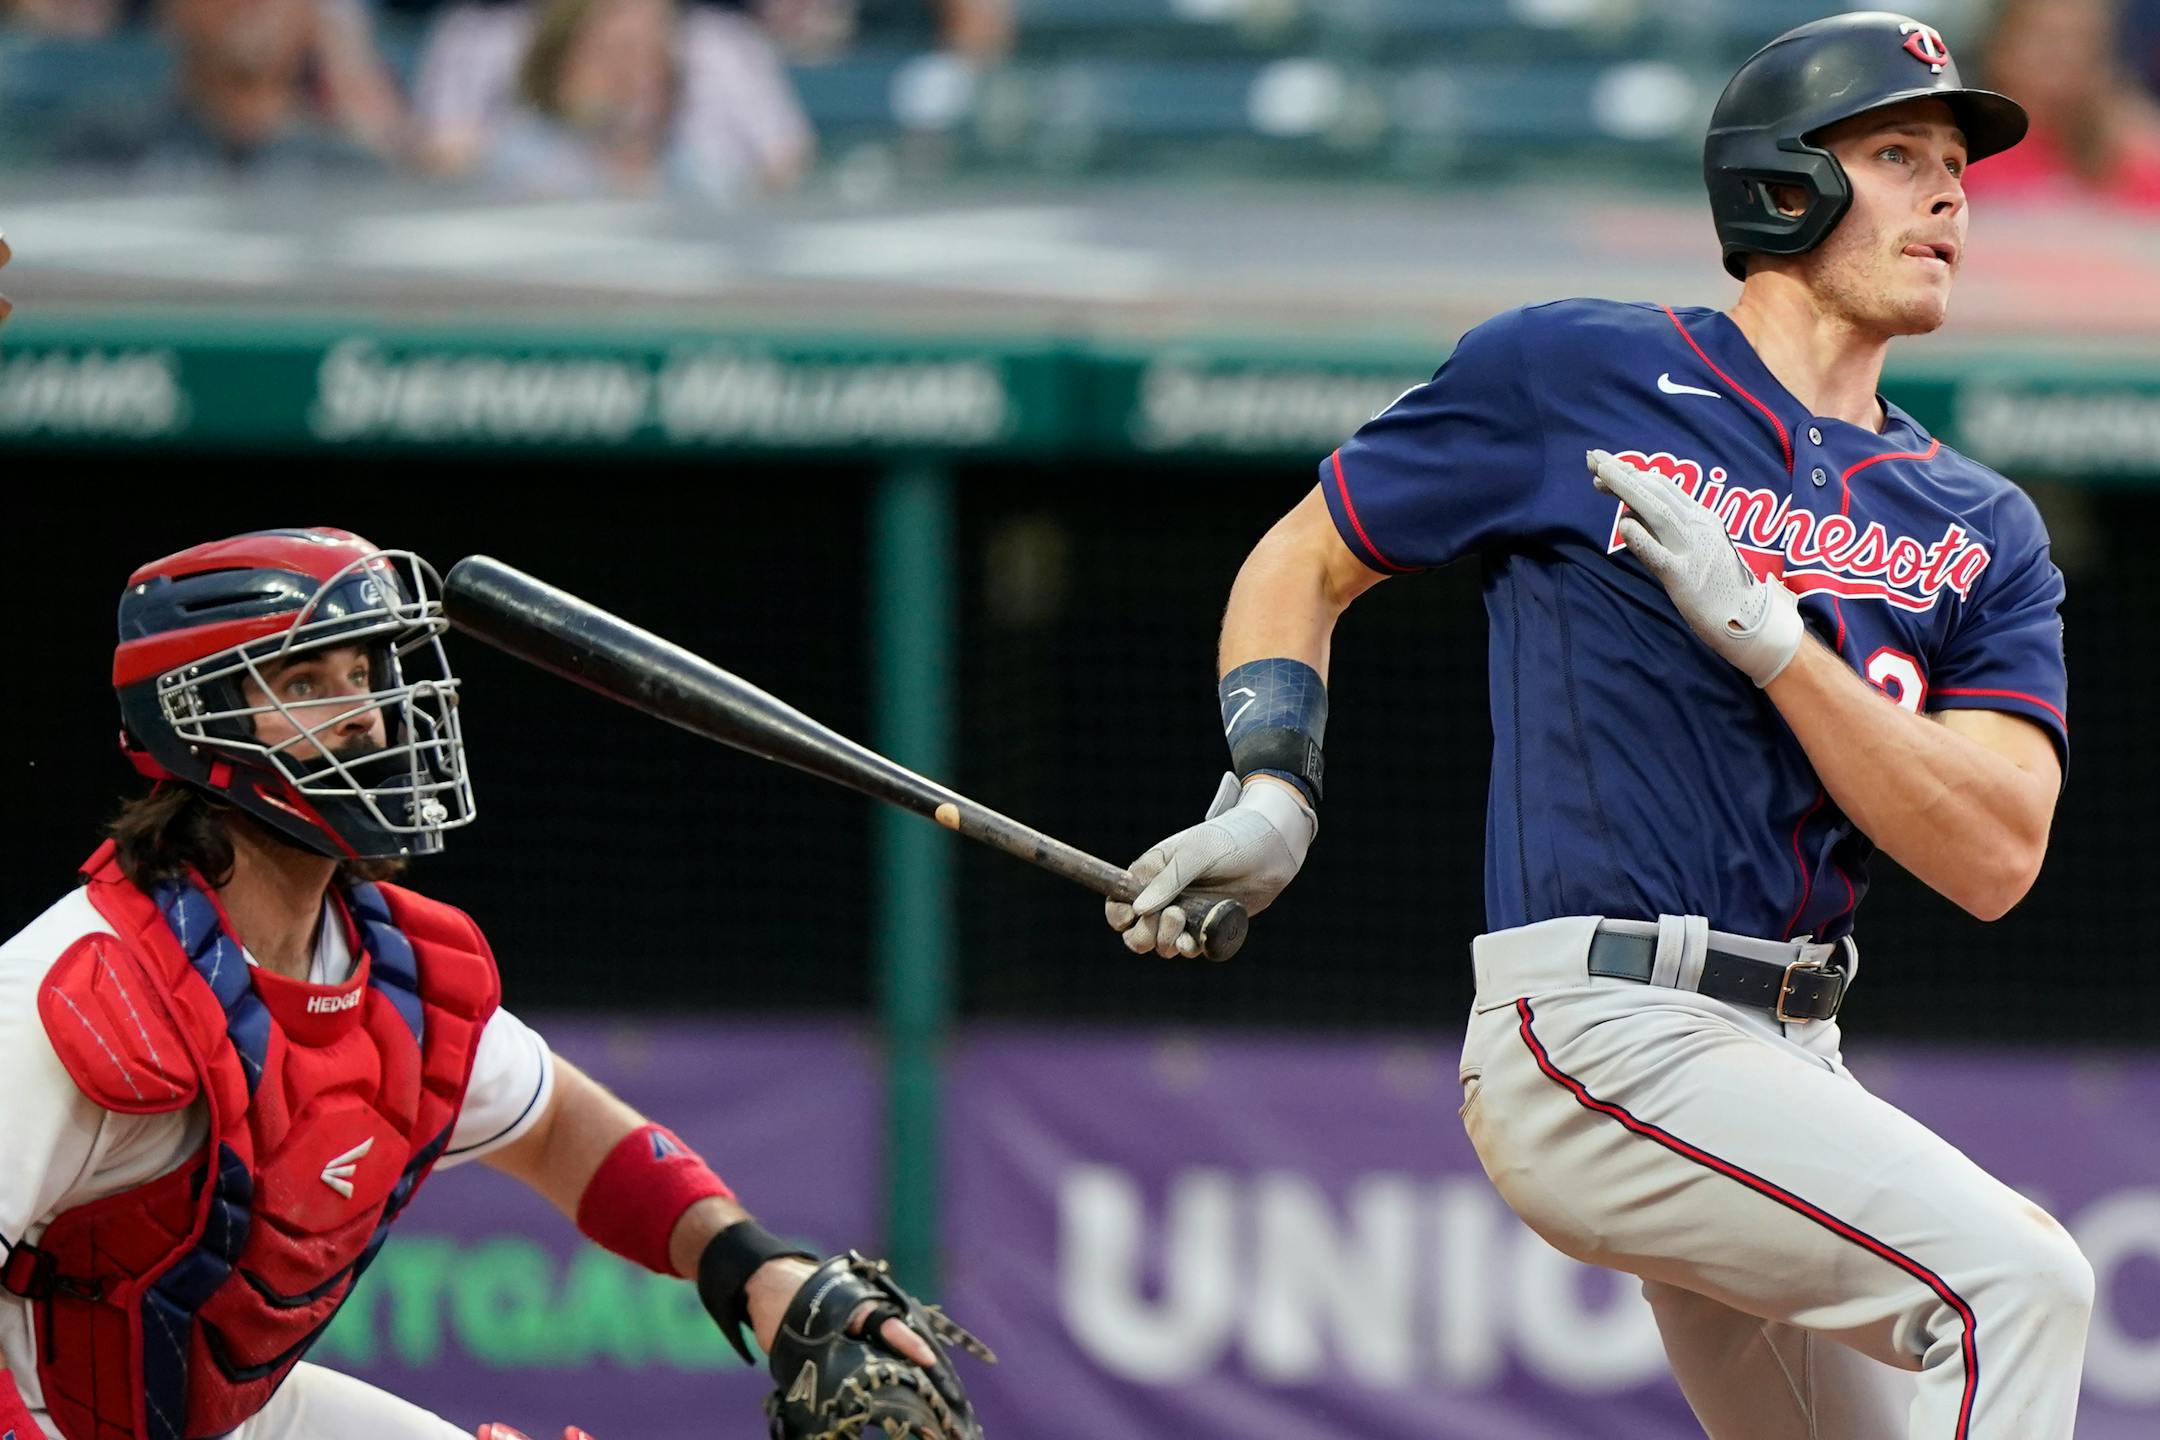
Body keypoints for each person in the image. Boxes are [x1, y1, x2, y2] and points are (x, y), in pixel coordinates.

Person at [1105, 13, 2091, 1438]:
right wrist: (1274, 786)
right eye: (1898, 154)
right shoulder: (1574, 374)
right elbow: (1302, 559)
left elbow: (1998, 854)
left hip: (1794, 1056)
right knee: (2022, 1285)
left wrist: (1776, 648)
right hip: (1603, 1026)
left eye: (1955, 163)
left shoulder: (1982, 526)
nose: (1950, 192)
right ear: (1781, 184)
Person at [0, 529, 987, 1440]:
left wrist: (746, 1265)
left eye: (366, 674)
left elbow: (563, 1131)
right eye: (309, 682)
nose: (371, 717)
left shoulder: (399, 975)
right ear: (195, 717)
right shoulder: (80, 990)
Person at [1967, 0, 2160, 209]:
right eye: (2047, 39)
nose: (2067, 55)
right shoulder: (1962, 150)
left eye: (2083, 41)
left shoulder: (2129, 154)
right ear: (2001, 48)